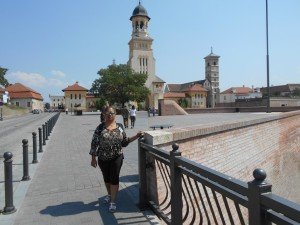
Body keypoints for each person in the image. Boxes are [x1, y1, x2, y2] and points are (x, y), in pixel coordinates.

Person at [90, 106, 143, 213]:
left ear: (115, 114)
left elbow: (124, 142)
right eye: (107, 113)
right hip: (103, 158)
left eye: (112, 113)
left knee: (114, 177)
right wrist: (93, 158)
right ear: (104, 115)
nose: (110, 115)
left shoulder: (120, 127)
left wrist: (136, 136)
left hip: (117, 157)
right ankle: (109, 194)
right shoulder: (100, 128)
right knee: (106, 178)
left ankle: (113, 202)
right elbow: (94, 143)